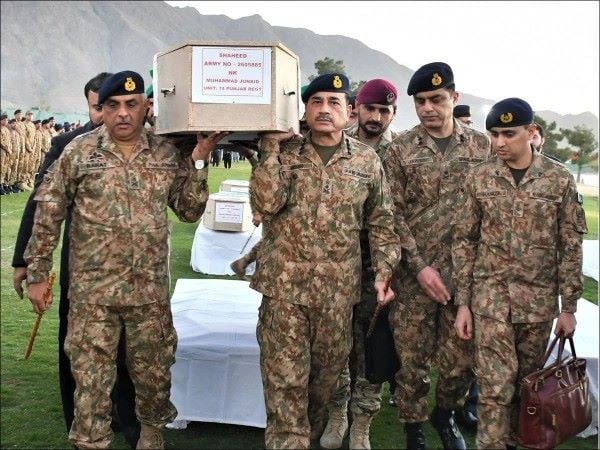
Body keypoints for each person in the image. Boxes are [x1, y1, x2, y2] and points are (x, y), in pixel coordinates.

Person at [23, 70, 227, 449]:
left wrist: (199, 160)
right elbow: (48, 211)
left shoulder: (166, 153)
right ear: (101, 109)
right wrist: (37, 273)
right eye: (112, 105)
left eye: (131, 105)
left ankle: (150, 437)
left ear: (146, 107)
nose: (122, 114)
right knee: (91, 381)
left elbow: (188, 210)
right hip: (92, 297)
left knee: (152, 378)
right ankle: (90, 441)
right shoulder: (80, 151)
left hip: (148, 295)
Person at [249, 72, 400, 449]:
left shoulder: (366, 162)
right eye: (315, 101)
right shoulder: (284, 154)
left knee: (323, 383)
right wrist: (269, 150)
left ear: (349, 113)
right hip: (283, 291)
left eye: (334, 103)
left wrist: (383, 271)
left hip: (337, 296)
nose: (324, 110)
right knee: (284, 382)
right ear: (304, 110)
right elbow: (264, 205)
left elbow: (382, 222)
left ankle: (309, 434)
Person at [11, 72, 145, 448]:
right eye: (99, 106)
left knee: (131, 352)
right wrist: (24, 261)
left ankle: (127, 417)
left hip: (137, 271)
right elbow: (40, 204)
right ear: (92, 105)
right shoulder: (69, 145)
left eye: (120, 105)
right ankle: (80, 417)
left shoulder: (146, 143)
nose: (108, 115)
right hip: (83, 267)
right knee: (78, 347)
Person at [453, 97, 587, 449]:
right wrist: (464, 304)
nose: (498, 142)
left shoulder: (558, 181)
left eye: (508, 134)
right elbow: (464, 242)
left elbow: (569, 246)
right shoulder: (479, 178)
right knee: (495, 388)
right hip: (490, 298)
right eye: (493, 134)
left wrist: (568, 307)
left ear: (531, 132)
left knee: (528, 388)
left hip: (538, 303)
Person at [383, 62, 490, 450]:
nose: (428, 108)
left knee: (461, 360)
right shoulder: (399, 150)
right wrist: (420, 266)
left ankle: (445, 416)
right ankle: (413, 425)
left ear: (454, 98)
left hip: (465, 277)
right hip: (415, 277)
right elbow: (389, 212)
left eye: (436, 99)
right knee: (410, 360)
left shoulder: (482, 147)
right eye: (420, 101)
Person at [320, 78, 401, 450]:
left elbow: (393, 216)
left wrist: (388, 267)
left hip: (378, 265)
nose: (377, 116)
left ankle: (362, 422)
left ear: (392, 114)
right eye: (371, 108)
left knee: (372, 345)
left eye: (384, 110)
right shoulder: (335, 137)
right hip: (335, 263)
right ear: (356, 108)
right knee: (336, 345)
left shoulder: (398, 152)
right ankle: (337, 412)